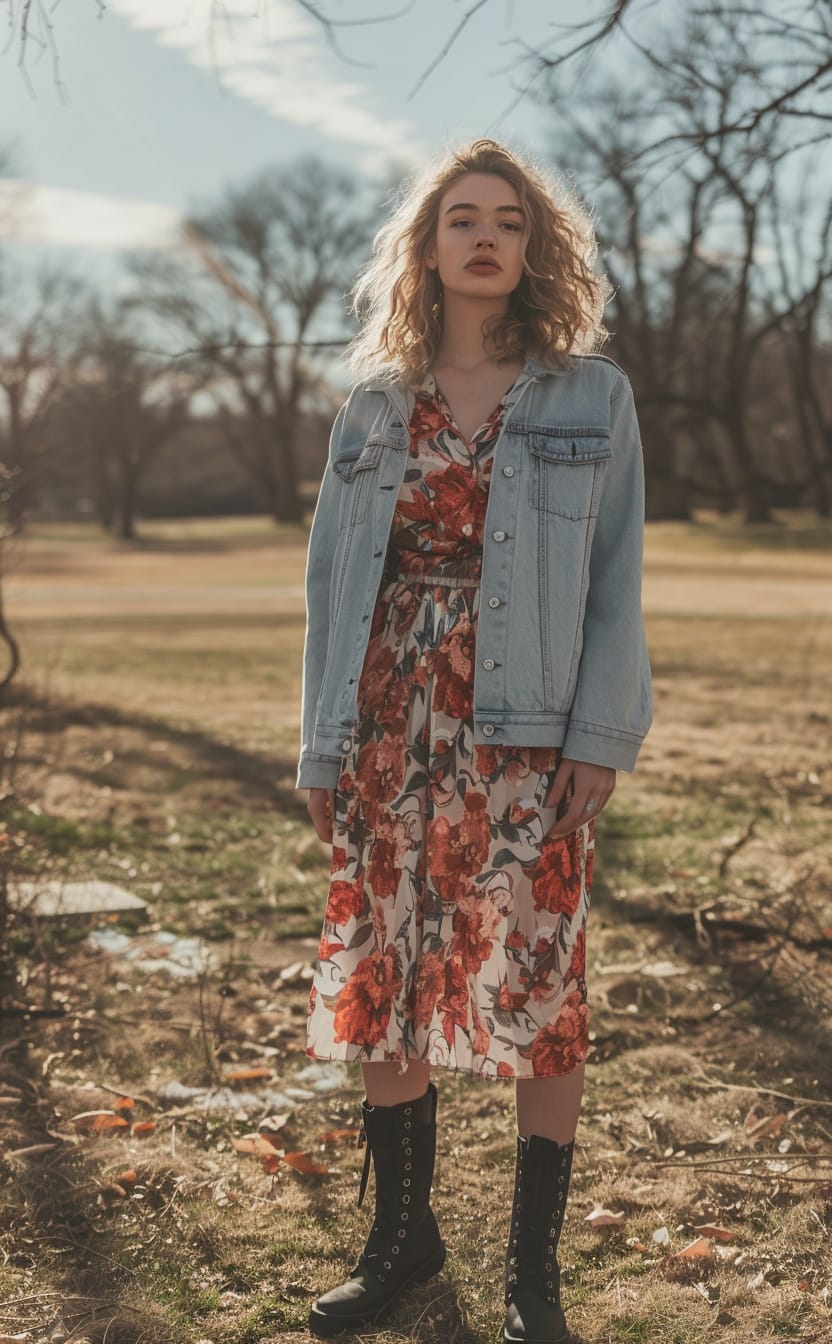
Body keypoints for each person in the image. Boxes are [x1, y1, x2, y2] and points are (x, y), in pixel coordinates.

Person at [296, 137, 653, 1343]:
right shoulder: (374, 406)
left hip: (526, 727)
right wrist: (320, 747)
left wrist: (598, 735)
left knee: (539, 982)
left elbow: (616, 583)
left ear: (534, 246)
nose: (485, 234)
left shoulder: (589, 396)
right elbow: (331, 586)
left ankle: (531, 1278)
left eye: (507, 217)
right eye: (461, 217)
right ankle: (401, 1243)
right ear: (429, 245)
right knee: (383, 978)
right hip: (388, 722)